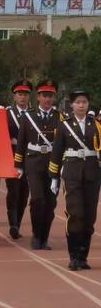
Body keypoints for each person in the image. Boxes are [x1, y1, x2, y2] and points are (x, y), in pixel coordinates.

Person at [49, 90, 101, 270]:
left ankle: (83, 256)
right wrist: (54, 178)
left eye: (84, 102)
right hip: (71, 172)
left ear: (88, 104)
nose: (81, 105)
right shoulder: (64, 126)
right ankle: (73, 255)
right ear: (71, 105)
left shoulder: (96, 125)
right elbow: (56, 153)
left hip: (92, 173)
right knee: (75, 213)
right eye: (78, 102)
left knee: (89, 216)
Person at [15, 80, 62, 250]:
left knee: (50, 202)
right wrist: (18, 165)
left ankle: (44, 237)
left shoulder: (60, 117)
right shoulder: (28, 116)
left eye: (50, 96)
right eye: (44, 95)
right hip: (33, 162)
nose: (47, 99)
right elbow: (21, 142)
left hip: (53, 164)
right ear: (38, 97)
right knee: (37, 199)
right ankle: (36, 235)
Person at [5, 80, 32, 239]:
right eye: (20, 94)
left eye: (26, 94)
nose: (23, 97)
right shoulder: (7, 114)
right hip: (12, 156)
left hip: (30, 157)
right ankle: (13, 224)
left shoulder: (34, 114)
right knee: (13, 190)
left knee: (24, 192)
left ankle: (18, 223)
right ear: (14, 96)